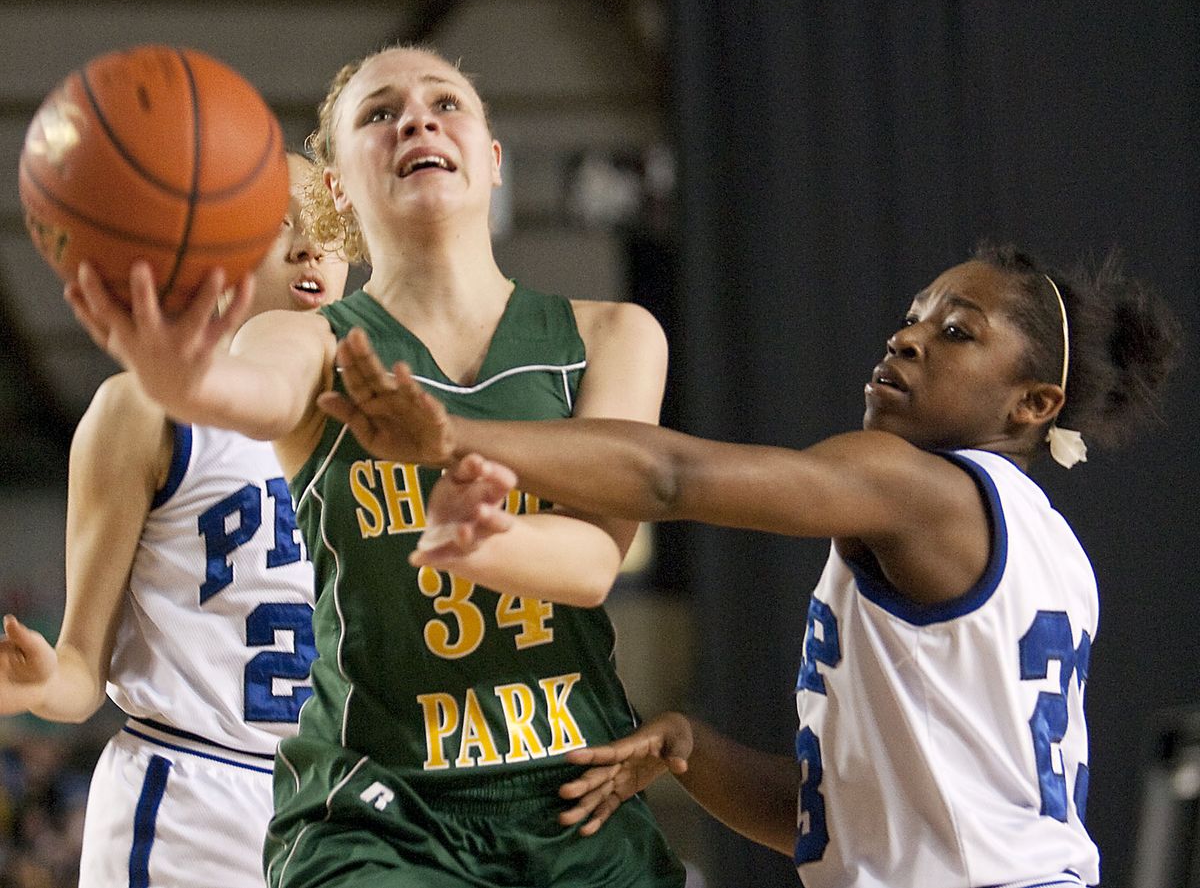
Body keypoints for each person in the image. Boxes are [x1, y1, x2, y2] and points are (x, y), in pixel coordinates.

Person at [314, 245, 1181, 888]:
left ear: (1032, 405)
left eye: (957, 331)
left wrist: (455, 433)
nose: (910, 337)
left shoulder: (920, 488)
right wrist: (695, 749)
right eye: (915, 314)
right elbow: (849, 819)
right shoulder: (1052, 548)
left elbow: (671, 475)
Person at [63, 44, 686, 888]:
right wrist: (182, 374)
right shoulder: (300, 344)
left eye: (446, 102)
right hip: (372, 802)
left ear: (494, 160)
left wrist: (482, 538)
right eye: (380, 111)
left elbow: (591, 563)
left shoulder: (614, 335)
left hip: (574, 790)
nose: (418, 118)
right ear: (340, 186)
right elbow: (256, 388)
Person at [0, 151, 349, 888]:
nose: (308, 247)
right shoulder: (144, 410)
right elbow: (79, 674)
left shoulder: (390, 425)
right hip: (190, 794)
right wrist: (33, 686)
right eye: (278, 223)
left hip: (345, 810)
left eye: (329, 229)